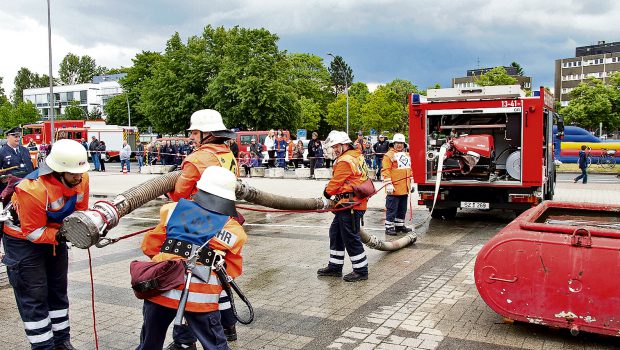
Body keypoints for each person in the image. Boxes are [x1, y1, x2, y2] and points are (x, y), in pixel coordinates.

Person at [138, 166, 247, 350]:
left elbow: (149, 246)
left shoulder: (172, 210)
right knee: (215, 345)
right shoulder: (233, 229)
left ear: (199, 189)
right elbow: (232, 270)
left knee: (150, 343)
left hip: (161, 288)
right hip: (200, 298)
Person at [2, 139, 90, 350]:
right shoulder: (33, 189)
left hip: (53, 237)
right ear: (58, 171)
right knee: (34, 296)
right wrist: (63, 235)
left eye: (80, 173)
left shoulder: (81, 178)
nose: (78, 178)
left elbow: (79, 212)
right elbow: (33, 232)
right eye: (73, 174)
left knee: (58, 291)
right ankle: (43, 346)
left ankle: (61, 342)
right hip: (22, 242)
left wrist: (86, 227)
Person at [166, 109, 240, 350]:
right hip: (225, 222)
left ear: (207, 134)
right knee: (217, 278)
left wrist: (171, 185)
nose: (192, 138)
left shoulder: (198, 159)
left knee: (192, 282)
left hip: (198, 226)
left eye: (195, 133)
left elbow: (179, 193)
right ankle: (229, 325)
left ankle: (185, 341)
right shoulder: (227, 154)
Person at [317, 131, 370, 282]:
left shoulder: (346, 160)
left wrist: (326, 195)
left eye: (335, 146)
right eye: (333, 147)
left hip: (351, 205)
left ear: (344, 145)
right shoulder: (355, 155)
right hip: (348, 203)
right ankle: (335, 266)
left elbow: (335, 183)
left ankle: (361, 270)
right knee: (336, 233)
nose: (334, 149)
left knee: (350, 237)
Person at [381, 133, 413, 235]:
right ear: (393, 144)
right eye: (397, 143)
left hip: (404, 188)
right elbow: (386, 170)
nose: (399, 145)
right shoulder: (389, 156)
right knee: (391, 208)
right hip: (394, 188)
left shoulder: (406, 155)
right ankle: (389, 227)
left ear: (404, 144)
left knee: (402, 209)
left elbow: (409, 170)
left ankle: (399, 225)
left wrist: (410, 183)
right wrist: (389, 184)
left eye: (401, 143)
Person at [0, 127, 35, 206]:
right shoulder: (2, 152)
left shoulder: (25, 150)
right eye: (15, 136)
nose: (18, 138)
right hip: (12, 191)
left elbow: (30, 167)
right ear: (8, 137)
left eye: (19, 136)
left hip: (28, 188)